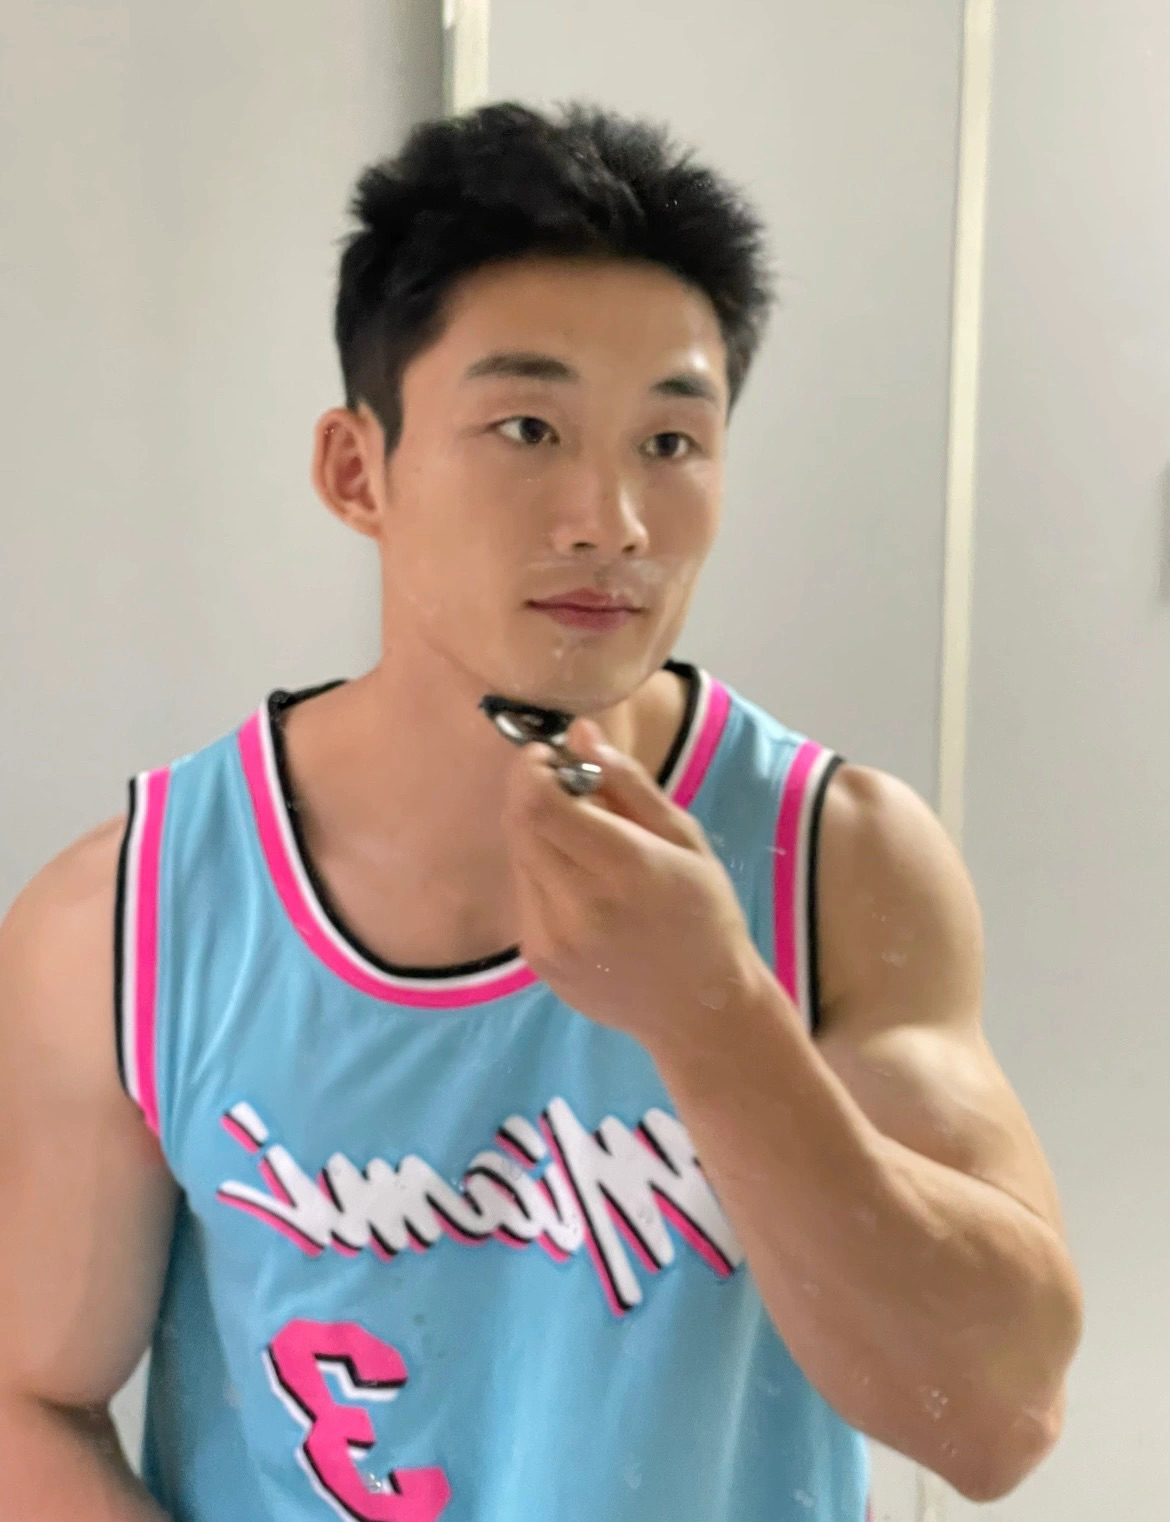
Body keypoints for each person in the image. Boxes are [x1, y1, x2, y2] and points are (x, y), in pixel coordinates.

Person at [0, 100, 1083, 1522]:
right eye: (527, 427)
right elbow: (30, 1397)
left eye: (671, 442)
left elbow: (996, 1420)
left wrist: (714, 1018)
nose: (610, 518)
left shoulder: (835, 860)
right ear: (357, 470)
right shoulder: (130, 917)